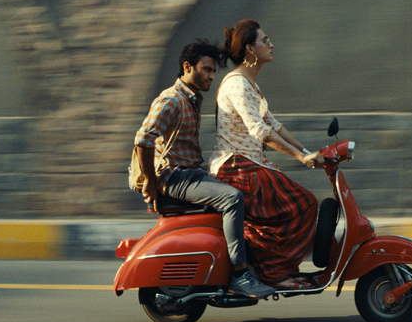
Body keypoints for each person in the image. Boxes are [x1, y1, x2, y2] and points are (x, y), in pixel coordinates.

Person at [134, 39, 274, 299]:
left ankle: (252, 264)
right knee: (231, 199)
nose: (211, 76)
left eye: (213, 71)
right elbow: (143, 140)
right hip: (175, 176)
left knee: (246, 190)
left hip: (190, 173)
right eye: (207, 70)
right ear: (188, 67)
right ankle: (241, 274)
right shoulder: (171, 100)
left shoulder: (192, 99)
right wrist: (151, 183)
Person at [208, 21, 325, 290]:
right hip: (235, 166)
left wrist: (309, 153)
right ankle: (274, 273)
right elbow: (260, 130)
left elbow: (274, 125)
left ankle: (269, 267)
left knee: (299, 204)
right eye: (266, 40)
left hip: (247, 164)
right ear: (250, 49)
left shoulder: (249, 84)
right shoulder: (237, 84)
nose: (271, 45)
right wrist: (299, 157)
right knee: (303, 203)